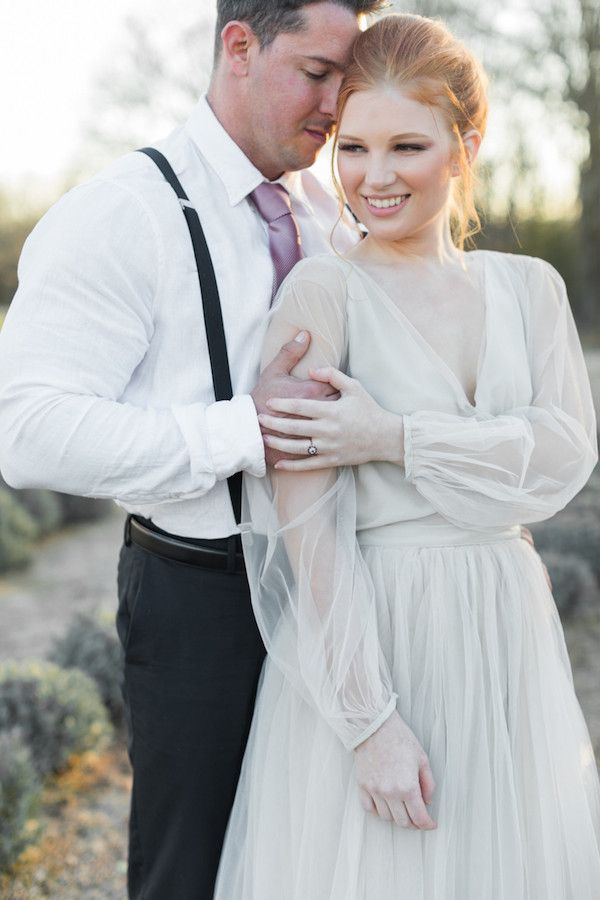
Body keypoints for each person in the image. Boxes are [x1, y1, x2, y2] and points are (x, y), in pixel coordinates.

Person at [0, 2, 441, 897]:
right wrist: (245, 428)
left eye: (346, 81)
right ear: (240, 47)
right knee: (191, 874)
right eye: (319, 73)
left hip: (355, 593)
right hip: (206, 602)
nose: (336, 107)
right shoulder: (119, 214)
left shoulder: (335, 207)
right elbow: (27, 431)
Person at [212, 13, 600, 899]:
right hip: (380, 643)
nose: (373, 179)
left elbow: (560, 459)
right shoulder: (322, 291)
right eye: (353, 148)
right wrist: (368, 724)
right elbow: (309, 537)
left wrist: (395, 437)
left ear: (466, 146)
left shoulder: (530, 289)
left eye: (406, 147)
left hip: (506, 631)